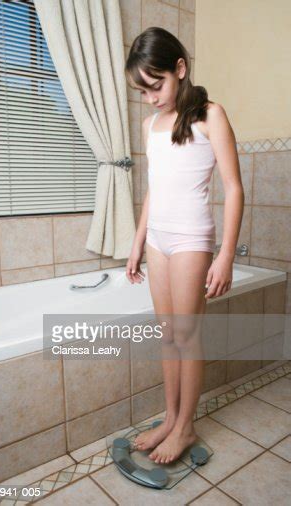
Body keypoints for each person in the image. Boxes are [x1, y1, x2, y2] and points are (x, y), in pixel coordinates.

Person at [124, 27, 244, 465]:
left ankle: (187, 428)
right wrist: (137, 242)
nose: (152, 97)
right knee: (168, 334)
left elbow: (233, 188)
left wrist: (226, 253)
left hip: (192, 238)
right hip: (157, 238)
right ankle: (170, 418)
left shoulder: (210, 114)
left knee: (187, 336)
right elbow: (153, 190)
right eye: (143, 90)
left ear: (180, 68)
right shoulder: (150, 124)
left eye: (157, 85)